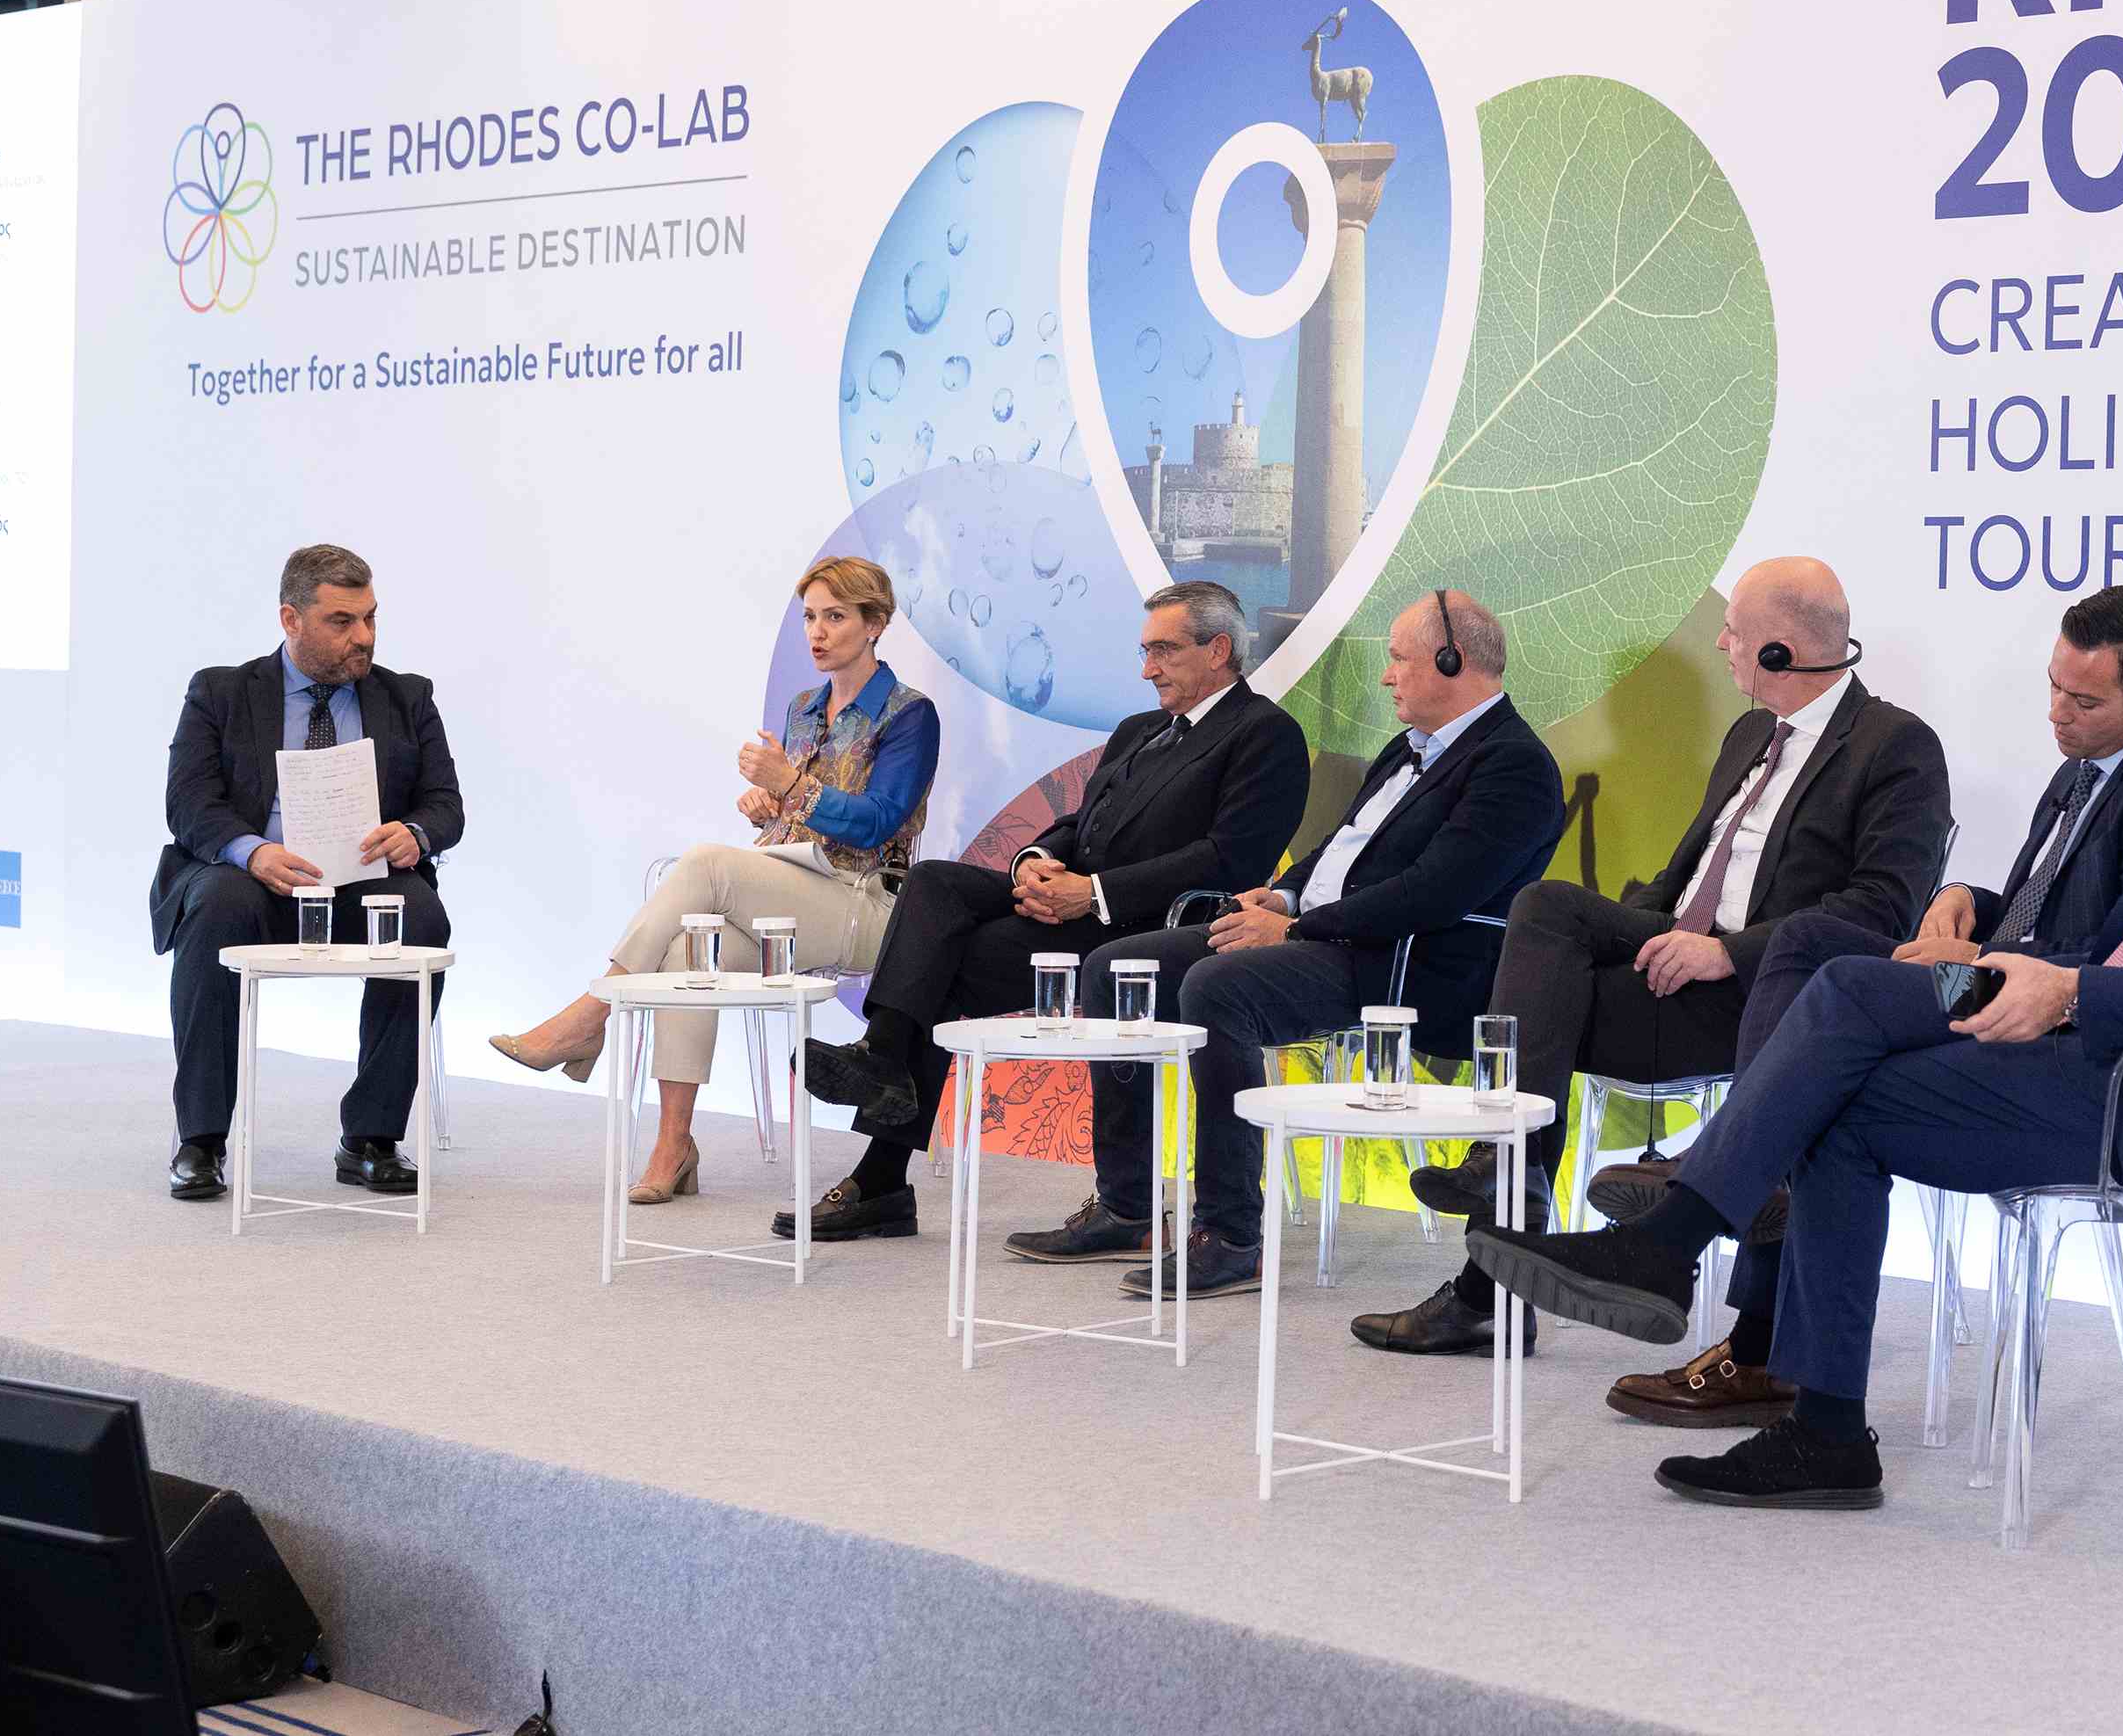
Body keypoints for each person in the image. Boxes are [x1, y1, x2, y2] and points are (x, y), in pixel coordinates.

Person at [1467, 547, 2123, 1510]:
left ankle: (1689, 1253)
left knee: (1837, 1044)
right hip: (2102, 1037)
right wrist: (1994, 932)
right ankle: (1808, 1411)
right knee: (1840, 1005)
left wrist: (2070, 994)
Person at [1589, 582, 2123, 1426]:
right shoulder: (2084, 767)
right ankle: (1747, 1178)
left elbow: (2120, 960)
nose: (2056, 713)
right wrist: (1969, 900)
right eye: (2052, 686)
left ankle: (1734, 1212)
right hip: (1989, 977)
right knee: (1806, 942)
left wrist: (1983, 958)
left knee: (1842, 1011)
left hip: (2032, 1007)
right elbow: (2049, 906)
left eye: (2083, 701)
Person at [1351, 556, 1951, 1361]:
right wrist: (1638, 933)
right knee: (1547, 920)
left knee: (1538, 1002)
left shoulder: (1896, 745)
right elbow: (1683, 877)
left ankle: (1489, 1275)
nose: (1722, 645)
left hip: (1768, 996)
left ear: (1778, 649)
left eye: (1733, 632)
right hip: (1674, 962)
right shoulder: (1749, 733)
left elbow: (1881, 910)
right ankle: (1505, 1179)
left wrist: (1725, 953)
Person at [1006, 590, 1567, 1302]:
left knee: (1217, 987)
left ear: (1451, 662)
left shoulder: (1513, 764)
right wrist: (1285, 897)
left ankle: (1231, 1235)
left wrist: (1298, 929)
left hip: (1400, 963)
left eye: (1399, 660)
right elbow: (1338, 849)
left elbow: (1433, 893)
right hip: (1326, 935)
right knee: (1119, 968)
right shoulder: (1408, 749)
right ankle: (1128, 1207)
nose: (1387, 676)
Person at [782, 579, 1309, 1245]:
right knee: (934, 886)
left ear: (1219, 650)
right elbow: (1078, 822)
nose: (1147, 669)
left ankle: (884, 1171)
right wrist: (1034, 861)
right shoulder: (1140, 730)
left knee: (937, 967)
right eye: (1145, 651)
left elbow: (1230, 859)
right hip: (1073, 908)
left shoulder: (1265, 733)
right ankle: (881, 1056)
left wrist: (1094, 892)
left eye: (1164, 651)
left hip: (1152, 931)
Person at [490, 556, 938, 1206]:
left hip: (867, 906)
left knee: (702, 862)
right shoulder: (805, 709)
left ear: (875, 624)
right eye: (810, 617)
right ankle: (674, 1144)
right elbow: (801, 810)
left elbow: (876, 823)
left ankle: (589, 1015)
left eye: (836, 617)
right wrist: (770, 805)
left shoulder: (909, 714)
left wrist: (790, 785)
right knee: (685, 952)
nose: (817, 632)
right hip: (796, 892)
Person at [150, 544, 465, 1201]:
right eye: (342, 621)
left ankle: (371, 1138)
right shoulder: (221, 692)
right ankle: (201, 1140)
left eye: (370, 618)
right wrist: (252, 850)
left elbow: (445, 806)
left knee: (421, 917)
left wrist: (414, 835)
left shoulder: (407, 697)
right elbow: (189, 803)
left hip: (361, 877)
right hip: (253, 878)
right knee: (215, 905)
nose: (364, 637)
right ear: (291, 619)